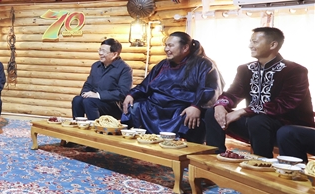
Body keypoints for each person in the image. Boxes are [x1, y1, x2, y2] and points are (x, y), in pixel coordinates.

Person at [205, 27, 314, 158]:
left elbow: (284, 103)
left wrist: (243, 111)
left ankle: (261, 163)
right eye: (250, 41)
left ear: (273, 45)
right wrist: (220, 105)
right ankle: (214, 158)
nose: (250, 45)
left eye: (255, 42)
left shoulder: (294, 71)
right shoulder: (246, 69)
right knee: (212, 112)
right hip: (255, 124)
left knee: (258, 120)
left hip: (286, 127)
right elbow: (233, 93)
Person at [122, 31, 222, 143]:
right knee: (134, 106)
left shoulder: (204, 64)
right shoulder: (162, 64)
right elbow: (145, 85)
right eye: (166, 45)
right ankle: (139, 140)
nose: (166, 49)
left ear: (185, 48)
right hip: (155, 107)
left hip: (182, 108)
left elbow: (210, 89)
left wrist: (196, 106)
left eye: (170, 46)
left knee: (188, 116)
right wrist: (131, 94)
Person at [71, 38, 133, 120]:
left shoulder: (125, 69)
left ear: (114, 54)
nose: (100, 53)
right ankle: (79, 125)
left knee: (89, 101)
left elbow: (122, 92)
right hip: (93, 101)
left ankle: (96, 126)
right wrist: (85, 93)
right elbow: (88, 84)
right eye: (100, 50)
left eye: (104, 51)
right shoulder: (96, 66)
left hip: (112, 105)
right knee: (77, 100)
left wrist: (98, 95)